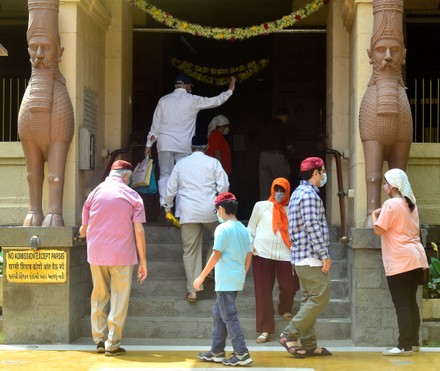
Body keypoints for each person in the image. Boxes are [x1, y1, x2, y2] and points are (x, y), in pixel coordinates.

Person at [79, 160, 148, 356]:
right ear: (126, 176)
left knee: (99, 295)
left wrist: (86, 229)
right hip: (122, 255)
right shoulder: (133, 196)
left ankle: (99, 339)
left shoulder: (95, 192)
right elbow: (139, 231)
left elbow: (84, 225)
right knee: (119, 298)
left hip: (96, 253)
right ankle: (112, 343)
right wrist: (143, 261)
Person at [145, 74, 236, 217]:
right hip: (183, 145)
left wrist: (149, 144)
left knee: (165, 174)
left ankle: (165, 206)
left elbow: (155, 124)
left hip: (165, 143)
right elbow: (215, 101)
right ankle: (180, 212)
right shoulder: (193, 100)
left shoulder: (164, 100)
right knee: (182, 178)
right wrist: (229, 91)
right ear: (187, 86)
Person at [279, 157, 333, 358]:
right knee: (321, 296)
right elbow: (313, 227)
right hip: (310, 256)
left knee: (308, 299)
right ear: (316, 173)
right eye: (323, 171)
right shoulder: (309, 195)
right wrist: (324, 255)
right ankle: (289, 333)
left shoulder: (298, 193)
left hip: (301, 257)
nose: (324, 175)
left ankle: (309, 345)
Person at [371, 168, 428, 356]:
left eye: (386, 182)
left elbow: (379, 230)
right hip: (417, 258)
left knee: (402, 303)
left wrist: (374, 214)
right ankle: (414, 343)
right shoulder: (411, 204)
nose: (384, 186)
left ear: (393, 185)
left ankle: (404, 346)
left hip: (399, 260)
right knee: (410, 302)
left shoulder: (390, 204)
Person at [165, 135, 229, 302]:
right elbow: (224, 185)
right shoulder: (213, 162)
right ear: (207, 146)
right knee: (219, 237)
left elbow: (170, 188)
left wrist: (167, 207)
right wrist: (220, 201)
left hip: (187, 212)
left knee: (190, 251)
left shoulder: (181, 164)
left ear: (190, 147)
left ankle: (193, 291)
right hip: (209, 210)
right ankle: (208, 269)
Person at [194, 192, 253, 367]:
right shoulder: (243, 228)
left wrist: (201, 277)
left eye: (216, 210)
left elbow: (216, 255)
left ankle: (241, 352)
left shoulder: (222, 229)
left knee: (229, 316)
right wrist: (243, 271)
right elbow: (249, 254)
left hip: (225, 280)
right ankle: (217, 350)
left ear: (221, 209)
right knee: (219, 314)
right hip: (235, 278)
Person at [247, 177, 299, 344]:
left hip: (286, 254)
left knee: (289, 286)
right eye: (276, 190)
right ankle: (265, 329)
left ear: (287, 192)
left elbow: (298, 232)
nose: (278, 193)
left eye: (282, 190)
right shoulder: (261, 206)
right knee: (263, 292)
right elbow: (251, 228)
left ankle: (284, 308)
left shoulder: (293, 209)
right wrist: (250, 246)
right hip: (262, 253)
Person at [258, 107, 294, 200]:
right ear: (285, 116)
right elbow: (289, 146)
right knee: (281, 184)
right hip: (277, 157)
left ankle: (266, 210)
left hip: (263, 157)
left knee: (265, 186)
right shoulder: (282, 127)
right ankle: (280, 208)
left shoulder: (266, 126)